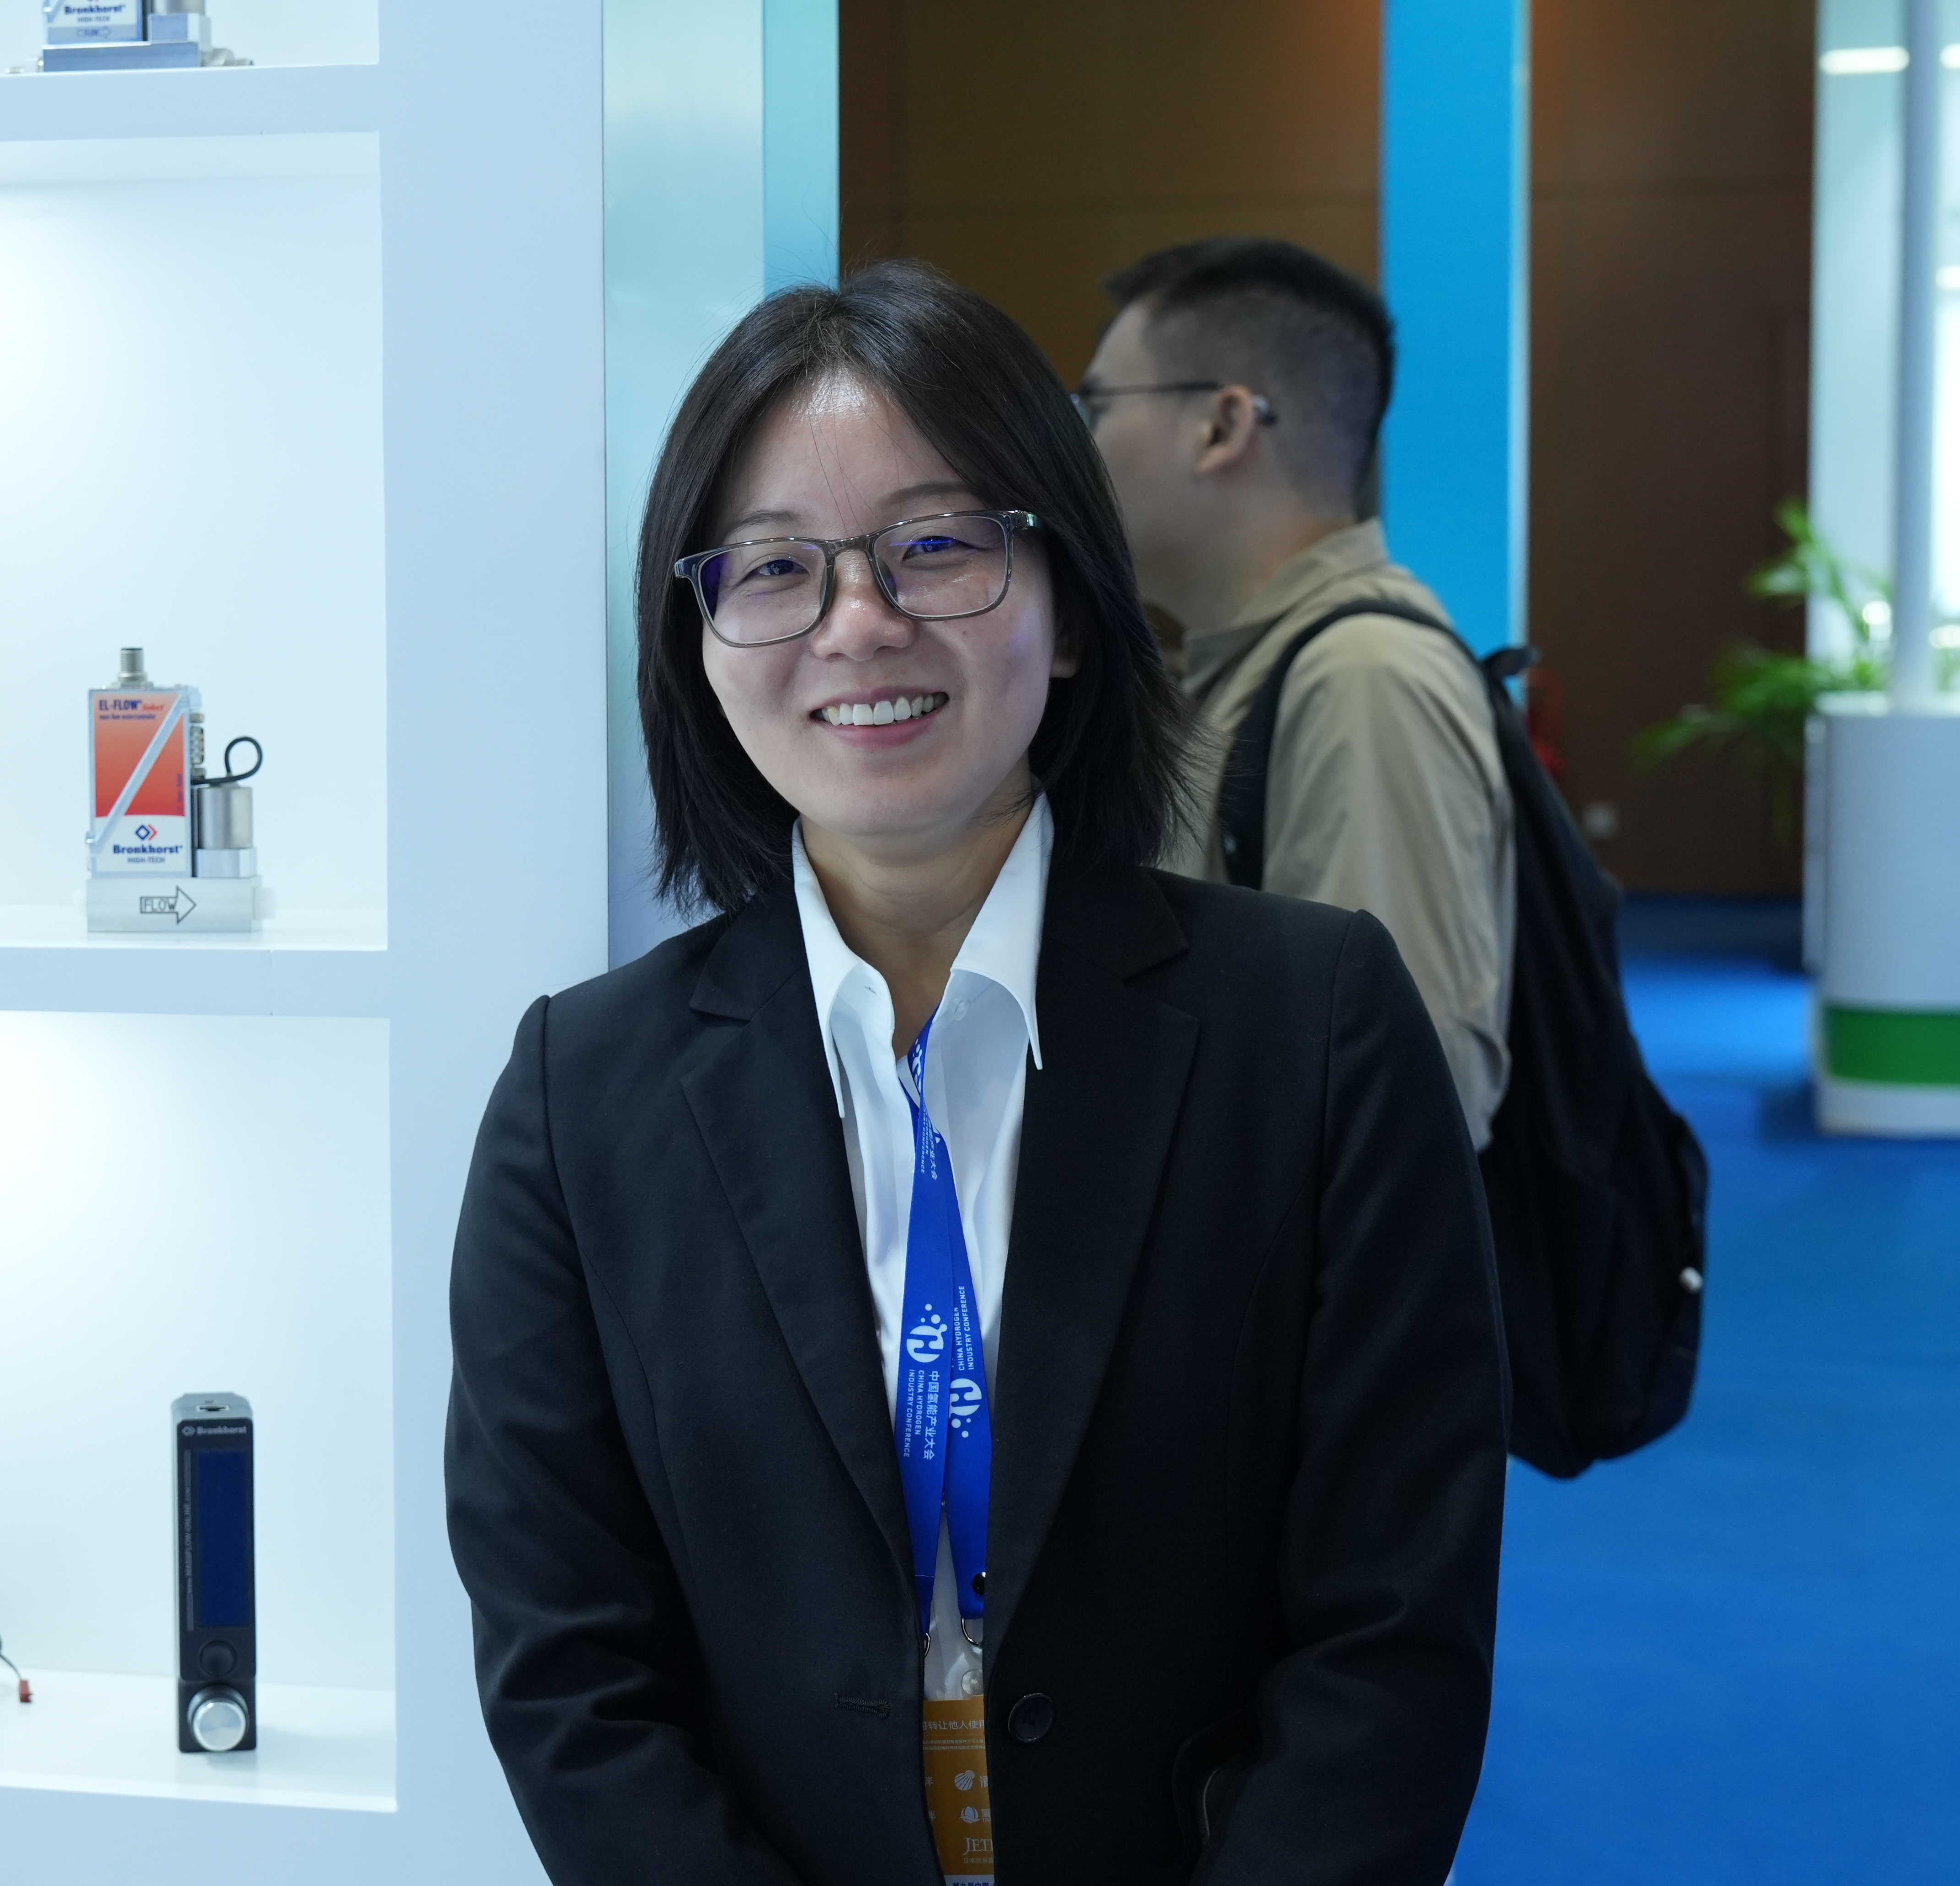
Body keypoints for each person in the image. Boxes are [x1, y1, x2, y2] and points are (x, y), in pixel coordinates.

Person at [444, 260, 1508, 1886]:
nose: (857, 622)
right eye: (773, 567)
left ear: (1068, 603)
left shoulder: (1316, 1030)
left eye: (934, 545)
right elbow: (569, 1671)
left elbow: (1393, 1629)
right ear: (702, 642)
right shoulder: (577, 1096)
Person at [1079, 237, 1517, 1149]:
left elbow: (1404, 1100)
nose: (1080, 445)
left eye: (1100, 405)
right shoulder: (1254, 665)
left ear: (1221, 427)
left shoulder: (1361, 676)